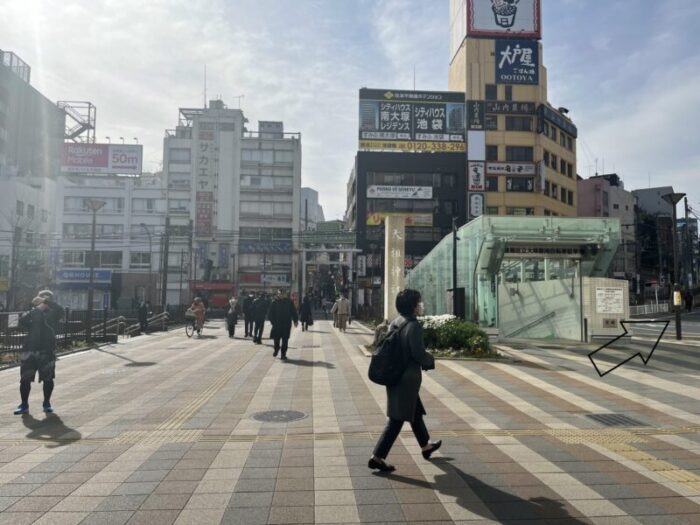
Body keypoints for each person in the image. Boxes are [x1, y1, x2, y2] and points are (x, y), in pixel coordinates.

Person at [369, 289, 441, 472]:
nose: (421, 305)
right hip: (406, 378)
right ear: (413, 306)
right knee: (397, 419)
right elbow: (417, 353)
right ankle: (377, 457)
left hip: (394, 375)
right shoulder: (413, 326)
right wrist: (430, 361)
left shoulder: (397, 321)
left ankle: (426, 446)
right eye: (419, 302)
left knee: (414, 411)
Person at [14, 297, 57, 415]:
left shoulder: (54, 314)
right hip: (30, 350)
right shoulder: (33, 313)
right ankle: (24, 404)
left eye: (45, 301)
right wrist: (36, 310)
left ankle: (46, 402)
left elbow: (60, 310)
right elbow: (22, 321)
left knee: (48, 378)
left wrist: (47, 303)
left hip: (47, 351)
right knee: (25, 379)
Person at [267, 289, 299, 360]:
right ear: (278, 294)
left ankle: (283, 354)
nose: (281, 295)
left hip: (286, 324)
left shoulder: (289, 302)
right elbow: (270, 314)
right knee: (276, 339)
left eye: (282, 293)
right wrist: (273, 322)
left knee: (285, 340)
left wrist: (295, 320)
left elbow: (293, 312)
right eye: (279, 293)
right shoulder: (274, 302)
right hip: (277, 325)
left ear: (285, 294)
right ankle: (276, 349)